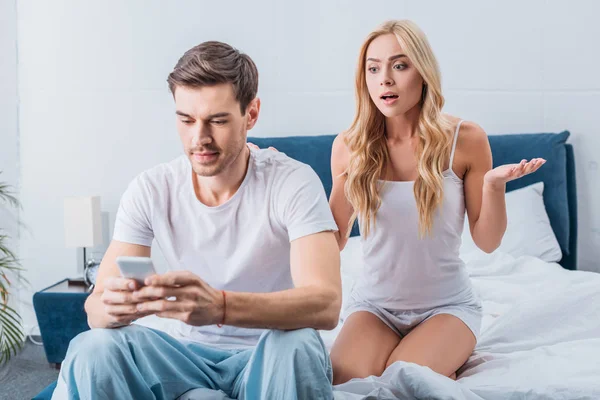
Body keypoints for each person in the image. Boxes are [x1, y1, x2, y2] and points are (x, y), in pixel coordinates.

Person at [52, 41, 341, 400]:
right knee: (93, 348)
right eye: (185, 120)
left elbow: (326, 304)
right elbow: (94, 312)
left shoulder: (292, 182)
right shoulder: (151, 188)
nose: (198, 138)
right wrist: (114, 306)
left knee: (299, 342)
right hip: (183, 356)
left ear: (251, 114)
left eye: (217, 121)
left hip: (268, 352)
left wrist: (220, 306)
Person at [326, 20, 545, 384]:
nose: (385, 80)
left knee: (403, 382)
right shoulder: (349, 147)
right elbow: (330, 242)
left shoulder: (466, 139)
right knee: (342, 384)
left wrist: (492, 186)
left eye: (400, 65)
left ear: (423, 73)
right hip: (374, 308)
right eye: (374, 68)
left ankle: (445, 352)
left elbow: (488, 243)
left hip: (447, 308)